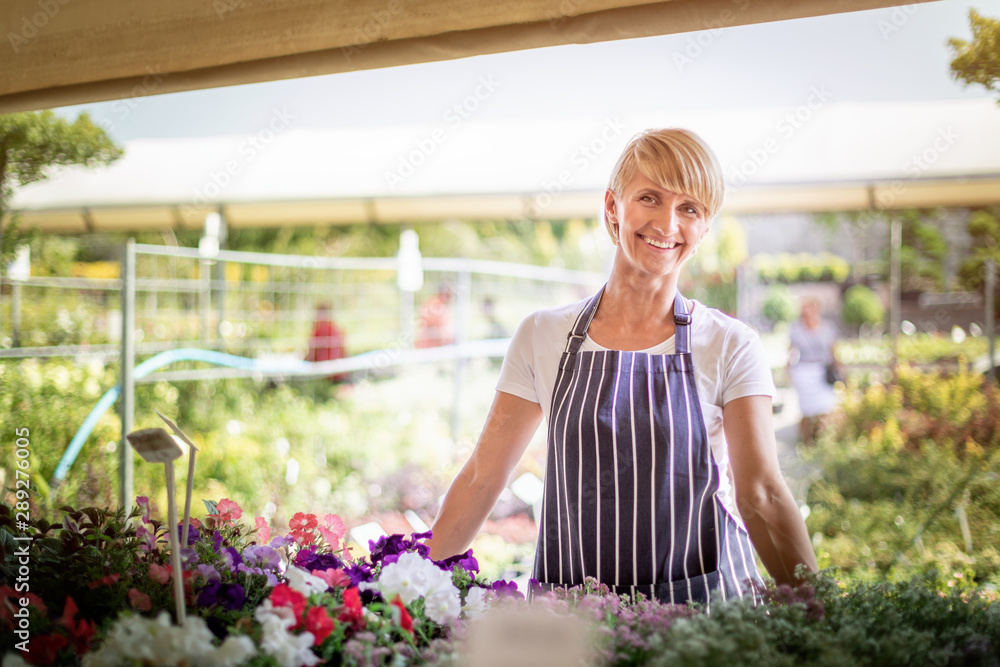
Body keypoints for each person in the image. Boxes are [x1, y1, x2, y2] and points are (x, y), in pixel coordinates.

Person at [426, 128, 817, 603]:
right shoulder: (542, 336)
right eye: (649, 198)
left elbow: (761, 495)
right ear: (613, 206)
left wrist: (820, 617)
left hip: (704, 621)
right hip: (575, 619)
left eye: (689, 208)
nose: (667, 223)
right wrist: (415, 586)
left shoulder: (731, 345)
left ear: (705, 226)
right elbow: (482, 478)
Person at [787, 298, 840, 446]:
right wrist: (789, 372)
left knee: (826, 408)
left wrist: (840, 370)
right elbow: (791, 352)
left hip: (822, 372)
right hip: (804, 372)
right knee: (806, 410)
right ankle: (805, 441)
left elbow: (833, 351)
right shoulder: (796, 329)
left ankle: (823, 441)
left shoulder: (827, 328)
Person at [305, 302, 348, 382]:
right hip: (340, 372)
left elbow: (311, 355)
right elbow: (344, 353)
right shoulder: (339, 329)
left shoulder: (318, 330)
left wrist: (302, 364)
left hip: (323, 375)